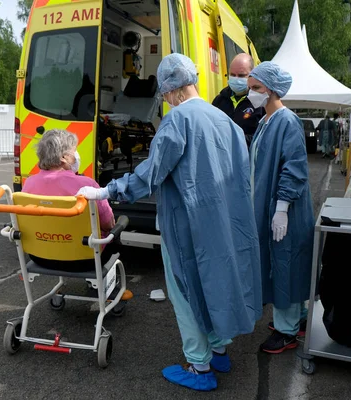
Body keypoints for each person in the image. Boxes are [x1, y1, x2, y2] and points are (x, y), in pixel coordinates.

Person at [77, 53, 262, 391]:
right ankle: (219, 349)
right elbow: (242, 178)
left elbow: (150, 174)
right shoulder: (227, 123)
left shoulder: (177, 121)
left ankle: (199, 367)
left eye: (164, 94)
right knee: (216, 284)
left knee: (187, 293)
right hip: (225, 224)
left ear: (173, 89)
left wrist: (107, 190)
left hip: (187, 226)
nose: (165, 100)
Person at [246, 61, 314, 354]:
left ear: (272, 90)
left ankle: (286, 331)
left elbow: (295, 167)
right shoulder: (265, 122)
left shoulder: (286, 121)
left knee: (285, 264)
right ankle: (297, 318)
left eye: (256, 88)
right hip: (269, 207)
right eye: (250, 88)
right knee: (283, 264)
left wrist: (282, 207)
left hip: (287, 210)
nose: (251, 94)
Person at [21, 128, 116, 270]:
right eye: (74, 150)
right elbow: (108, 224)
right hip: (86, 258)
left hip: (40, 256)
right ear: (64, 157)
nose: (77, 155)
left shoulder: (29, 184)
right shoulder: (87, 185)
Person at [212, 53, 264, 148]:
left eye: (241, 75)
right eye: (232, 75)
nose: (236, 79)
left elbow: (262, 139)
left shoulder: (260, 103)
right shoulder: (219, 101)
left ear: (252, 75)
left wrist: (232, 139)